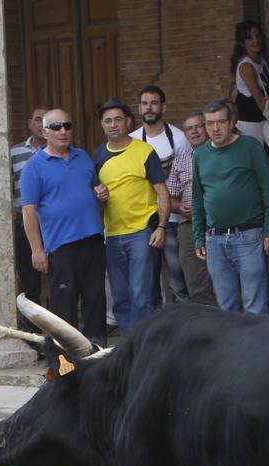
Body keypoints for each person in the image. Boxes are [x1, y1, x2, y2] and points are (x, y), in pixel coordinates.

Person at [21, 108, 110, 348]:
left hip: (92, 240)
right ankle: (63, 362)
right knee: (63, 307)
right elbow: (28, 211)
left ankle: (97, 353)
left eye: (67, 126)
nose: (63, 131)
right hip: (60, 246)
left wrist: (102, 192)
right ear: (44, 131)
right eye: (56, 127)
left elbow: (95, 190)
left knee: (95, 302)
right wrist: (36, 250)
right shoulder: (34, 167)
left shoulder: (82, 157)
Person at [191, 99, 269, 317]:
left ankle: (259, 351)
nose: (215, 128)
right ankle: (233, 351)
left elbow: (268, 190)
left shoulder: (250, 146)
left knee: (255, 306)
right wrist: (198, 237)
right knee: (226, 309)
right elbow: (197, 199)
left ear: (232, 122)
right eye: (209, 123)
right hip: (215, 240)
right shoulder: (200, 155)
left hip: (249, 235)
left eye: (220, 122)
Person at [94, 97, 169, 331]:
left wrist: (161, 227)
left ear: (128, 122)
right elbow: (94, 194)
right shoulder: (98, 155)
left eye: (118, 119)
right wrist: (98, 194)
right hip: (113, 235)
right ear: (102, 125)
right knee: (120, 297)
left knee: (141, 295)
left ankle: (142, 345)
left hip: (142, 234)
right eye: (108, 120)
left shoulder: (145, 151)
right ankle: (129, 346)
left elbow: (163, 194)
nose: (113, 124)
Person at [130, 85, 190, 305]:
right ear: (139, 108)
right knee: (148, 280)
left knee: (178, 279)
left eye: (154, 103)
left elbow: (187, 179)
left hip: (173, 221)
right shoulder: (132, 140)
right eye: (145, 103)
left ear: (163, 107)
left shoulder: (179, 139)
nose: (149, 107)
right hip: (143, 221)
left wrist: (180, 206)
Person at [163, 111, 217, 304]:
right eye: (189, 128)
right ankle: (208, 327)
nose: (194, 131)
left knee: (224, 280)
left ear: (207, 127)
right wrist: (179, 207)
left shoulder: (220, 153)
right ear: (184, 134)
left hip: (218, 225)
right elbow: (170, 199)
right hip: (190, 226)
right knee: (196, 282)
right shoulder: (181, 160)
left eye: (198, 126)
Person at [232, 20, 269, 183]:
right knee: (256, 163)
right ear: (242, 43)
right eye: (250, 38)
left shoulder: (262, 58)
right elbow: (259, 99)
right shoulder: (246, 66)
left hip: (265, 117)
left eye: (257, 36)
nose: (255, 40)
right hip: (250, 120)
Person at [10, 108, 47, 305]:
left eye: (46, 121)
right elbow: (6, 189)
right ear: (29, 123)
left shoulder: (58, 151)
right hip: (25, 222)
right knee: (28, 278)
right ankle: (31, 329)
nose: (42, 125)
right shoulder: (15, 153)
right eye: (38, 120)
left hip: (52, 222)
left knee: (56, 278)